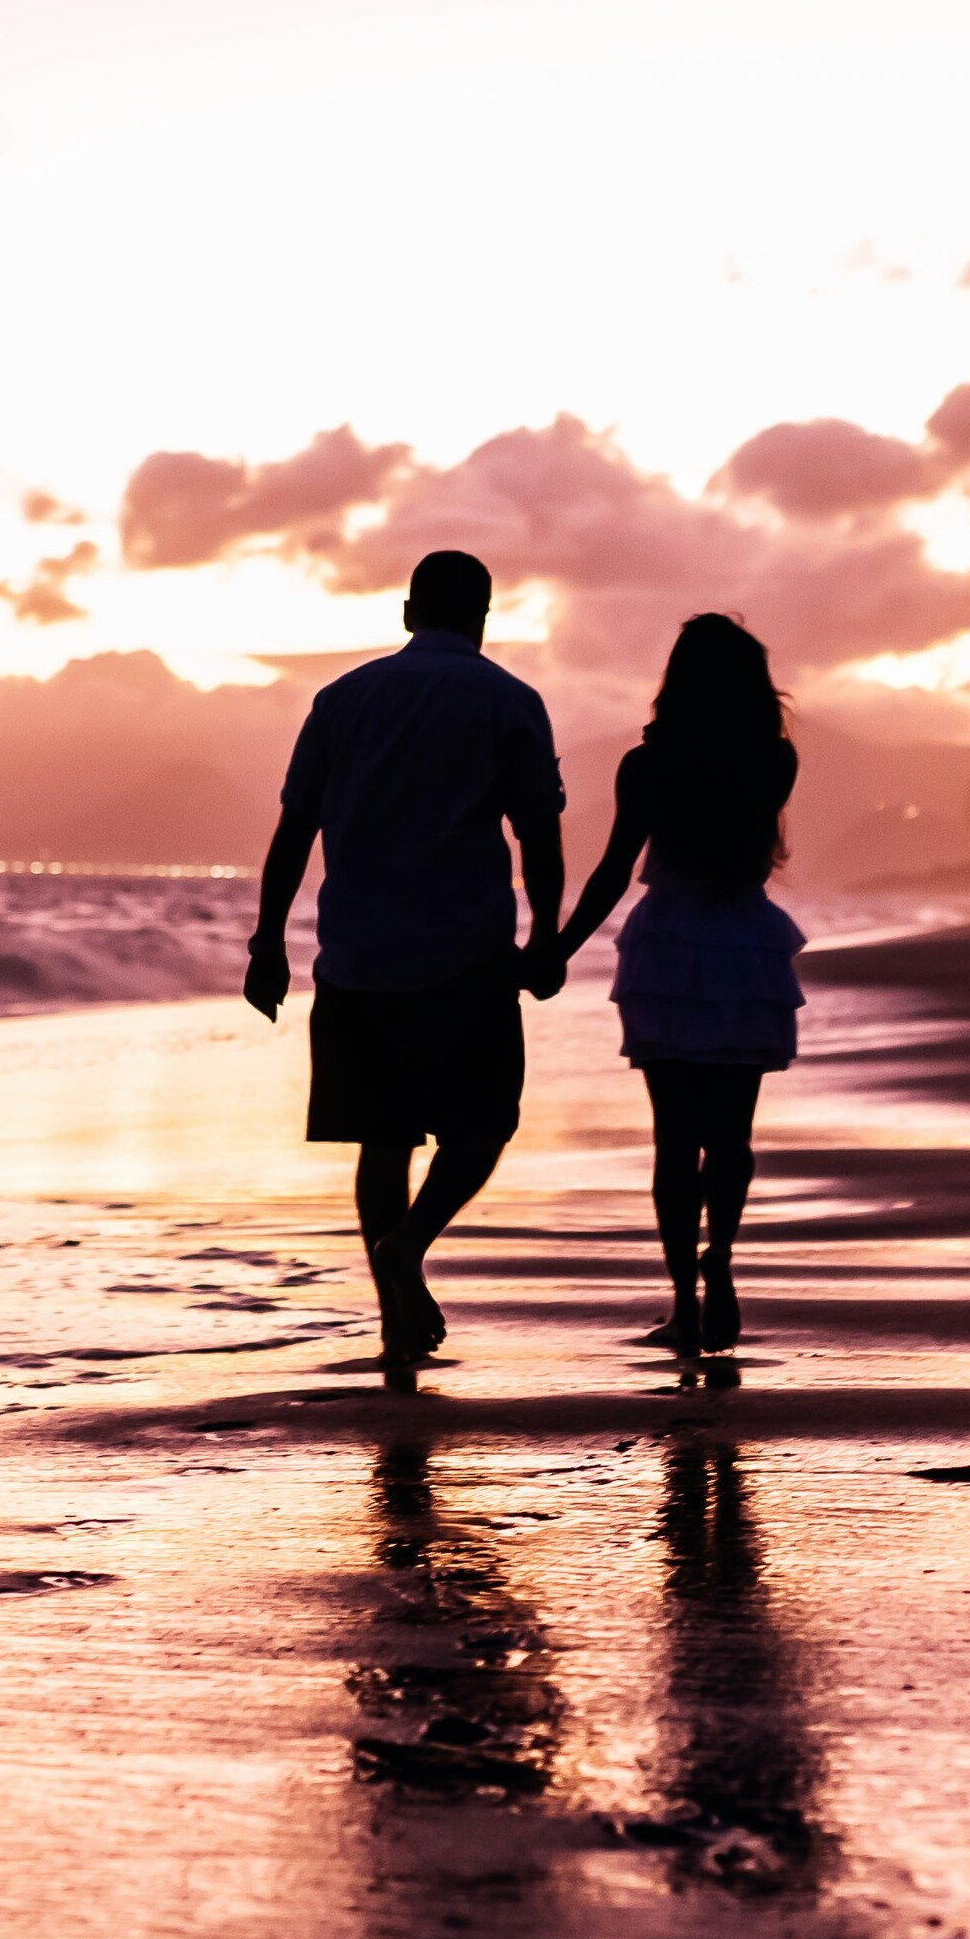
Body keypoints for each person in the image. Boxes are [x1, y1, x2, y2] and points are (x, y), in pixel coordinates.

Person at [247, 550, 566, 1367]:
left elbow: (295, 831)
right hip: (468, 955)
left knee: (382, 1139)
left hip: (357, 954)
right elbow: (539, 833)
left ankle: (394, 1309)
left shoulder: (342, 699)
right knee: (484, 1124)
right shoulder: (510, 702)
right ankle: (410, 1246)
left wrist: (267, 941)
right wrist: (545, 936)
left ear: (407, 613)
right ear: (482, 618)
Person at [546, 614, 803, 1358]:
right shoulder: (773, 761)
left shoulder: (647, 766)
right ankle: (719, 1268)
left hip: (668, 945)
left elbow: (613, 871)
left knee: (674, 1139)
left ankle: (685, 1305)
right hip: (748, 945)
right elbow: (753, 839)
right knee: (732, 1136)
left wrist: (557, 948)